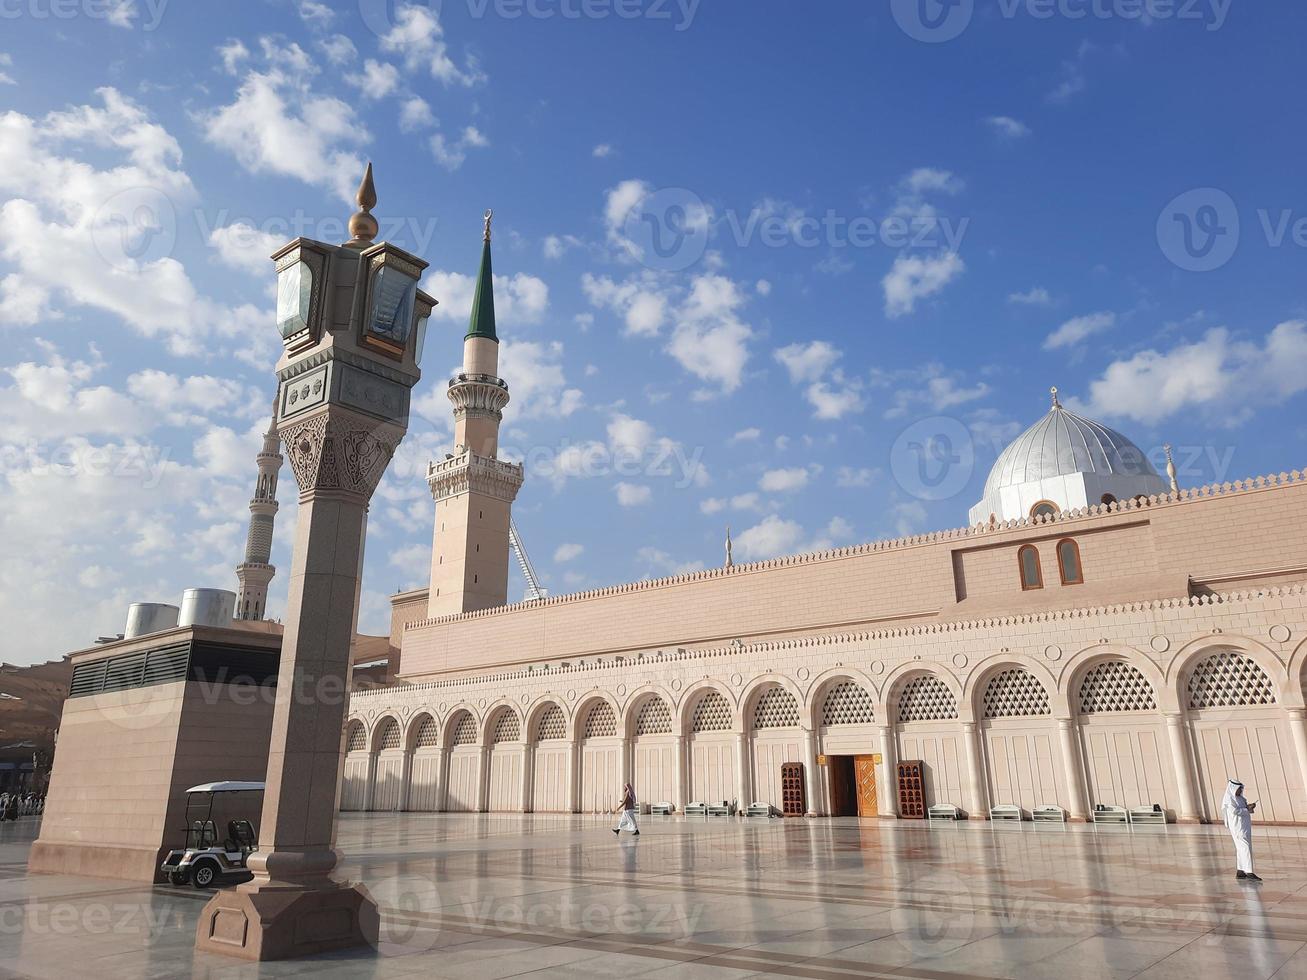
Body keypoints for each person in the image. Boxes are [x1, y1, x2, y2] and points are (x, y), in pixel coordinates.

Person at [1222, 779, 1260, 882]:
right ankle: (1249, 871)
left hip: (1245, 827)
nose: (1240, 790)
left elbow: (1245, 809)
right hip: (1237, 828)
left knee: (1241, 848)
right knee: (1245, 847)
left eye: (1241, 788)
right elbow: (1235, 811)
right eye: (1238, 789)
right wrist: (1247, 809)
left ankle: (1241, 871)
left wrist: (1250, 807)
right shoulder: (1230, 799)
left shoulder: (1241, 798)